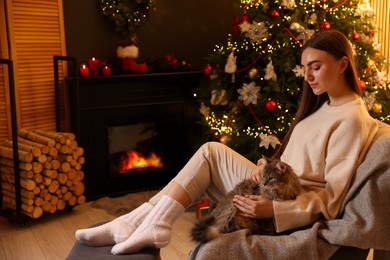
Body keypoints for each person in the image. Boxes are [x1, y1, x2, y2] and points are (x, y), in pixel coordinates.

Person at [75, 30, 378, 255]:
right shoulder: (322, 104)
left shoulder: (351, 119)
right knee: (211, 152)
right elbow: (297, 160)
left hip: (287, 207)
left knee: (208, 152)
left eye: (316, 66)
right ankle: (138, 221)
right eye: (305, 68)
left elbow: (333, 199)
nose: (308, 76)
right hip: (272, 188)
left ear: (342, 65)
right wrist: (266, 168)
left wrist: (272, 211)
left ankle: (145, 222)